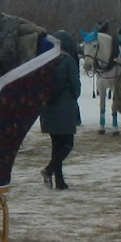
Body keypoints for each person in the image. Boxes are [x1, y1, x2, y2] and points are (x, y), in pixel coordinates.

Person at [39, 31, 82, 189]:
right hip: (64, 110)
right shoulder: (69, 61)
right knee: (67, 145)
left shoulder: (46, 61)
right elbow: (76, 88)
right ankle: (49, 170)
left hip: (47, 109)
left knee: (56, 145)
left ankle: (60, 181)